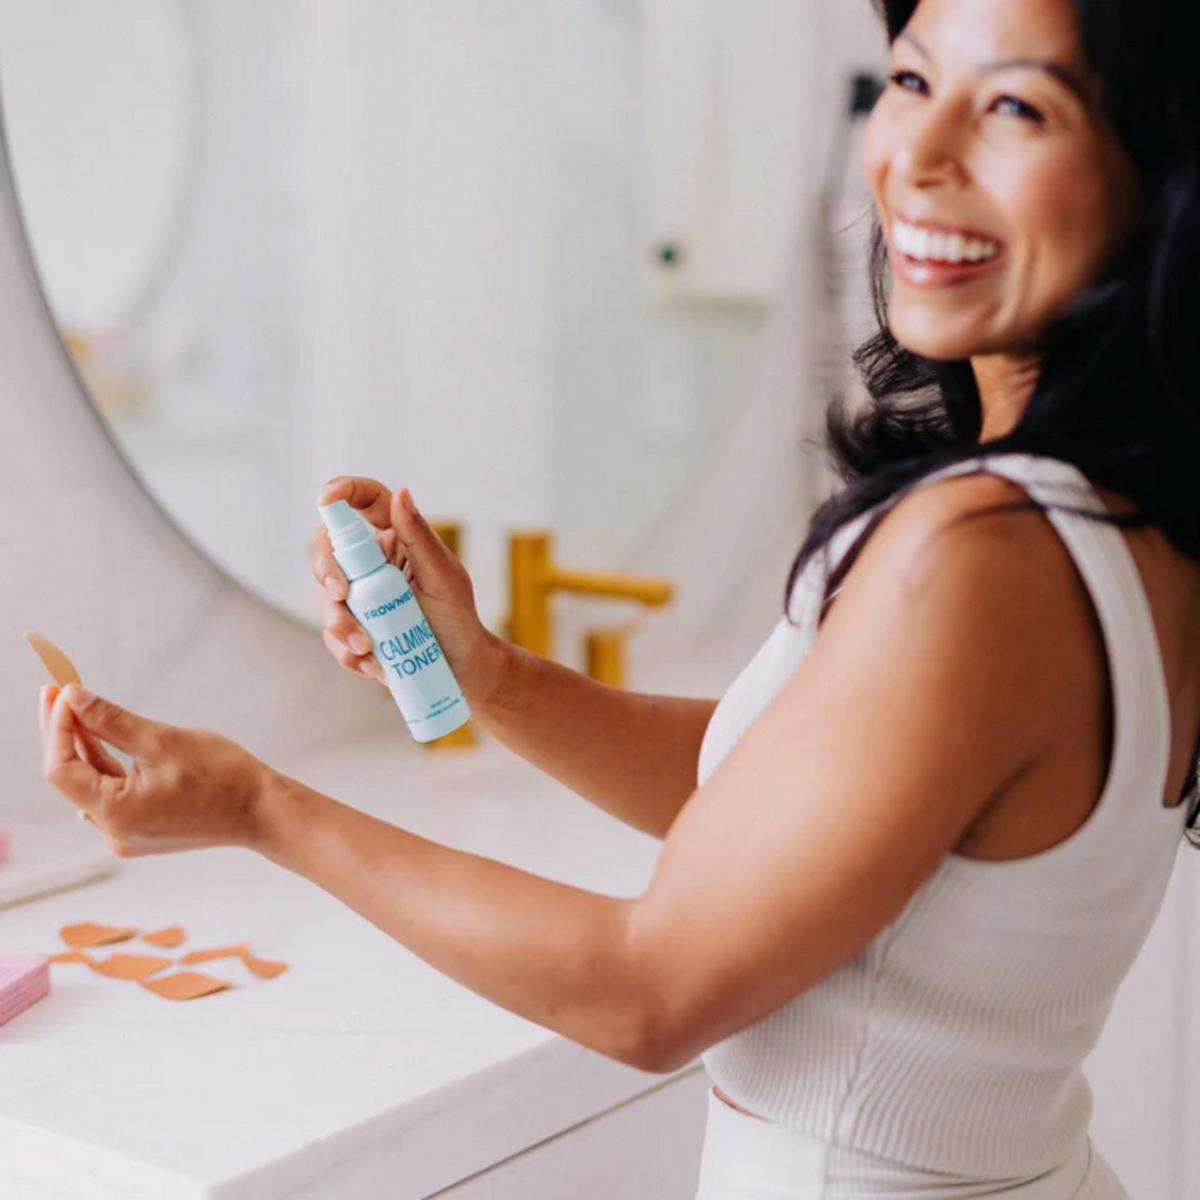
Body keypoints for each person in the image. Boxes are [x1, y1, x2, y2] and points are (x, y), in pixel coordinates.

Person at [38, 0, 1200, 1194]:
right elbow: (797, 803)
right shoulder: (1126, 521)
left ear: (1160, 169)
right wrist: (490, 676)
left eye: (1013, 105)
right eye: (910, 80)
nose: (920, 153)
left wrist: (259, 808)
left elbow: (647, 992)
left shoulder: (981, 553)